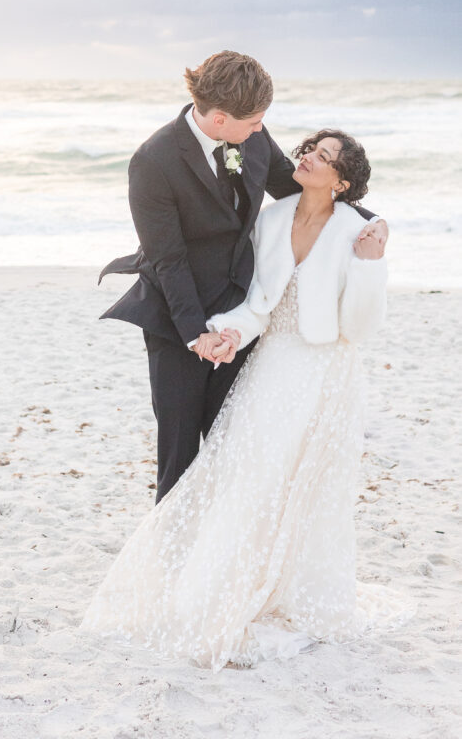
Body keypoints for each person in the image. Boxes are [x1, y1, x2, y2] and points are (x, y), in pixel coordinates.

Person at [82, 130, 396, 670]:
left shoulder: (357, 233)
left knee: (302, 486)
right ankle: (228, 584)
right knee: (245, 474)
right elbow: (257, 305)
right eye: (309, 149)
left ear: (342, 182)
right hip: (270, 364)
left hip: (325, 372)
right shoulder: (271, 221)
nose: (307, 158)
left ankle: (289, 586)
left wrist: (370, 264)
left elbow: (360, 328)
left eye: (324, 157)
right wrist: (226, 334)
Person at [99, 51, 387, 502]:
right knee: (179, 452)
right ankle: (171, 544)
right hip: (177, 316)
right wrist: (196, 334)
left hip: (241, 313)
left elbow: (303, 193)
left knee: (229, 446)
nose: (260, 129)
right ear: (219, 119)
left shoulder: (251, 134)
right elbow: (168, 260)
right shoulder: (153, 161)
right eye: (254, 122)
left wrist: (371, 222)